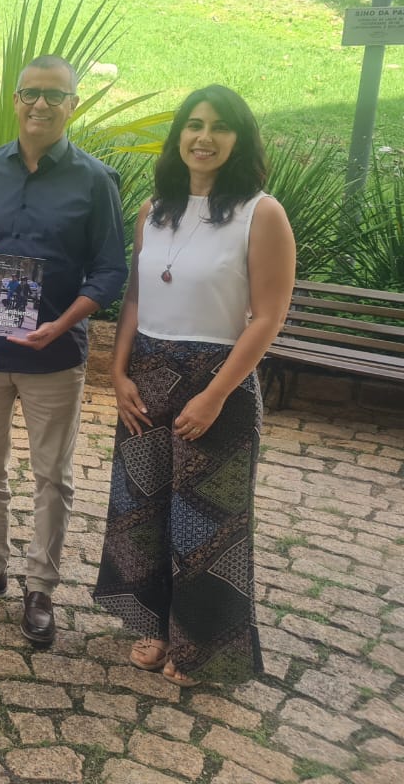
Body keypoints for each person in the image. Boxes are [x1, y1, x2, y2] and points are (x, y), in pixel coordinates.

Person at [94, 85, 295, 686]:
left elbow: (267, 317)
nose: (204, 137)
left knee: (209, 527)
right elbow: (136, 296)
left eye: (220, 127)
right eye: (194, 124)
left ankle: (202, 648)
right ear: (178, 135)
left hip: (218, 384)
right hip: (147, 378)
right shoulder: (156, 209)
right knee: (142, 513)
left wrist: (215, 395)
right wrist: (118, 370)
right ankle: (155, 629)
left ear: (240, 141)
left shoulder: (261, 213)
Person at [0, 55, 127, 647]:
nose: (39, 104)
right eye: (29, 94)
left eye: (53, 95)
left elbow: (111, 271)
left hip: (54, 353)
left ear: (72, 105)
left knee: (53, 475)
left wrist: (63, 322)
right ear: (17, 101)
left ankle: (40, 586)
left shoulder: (95, 180)